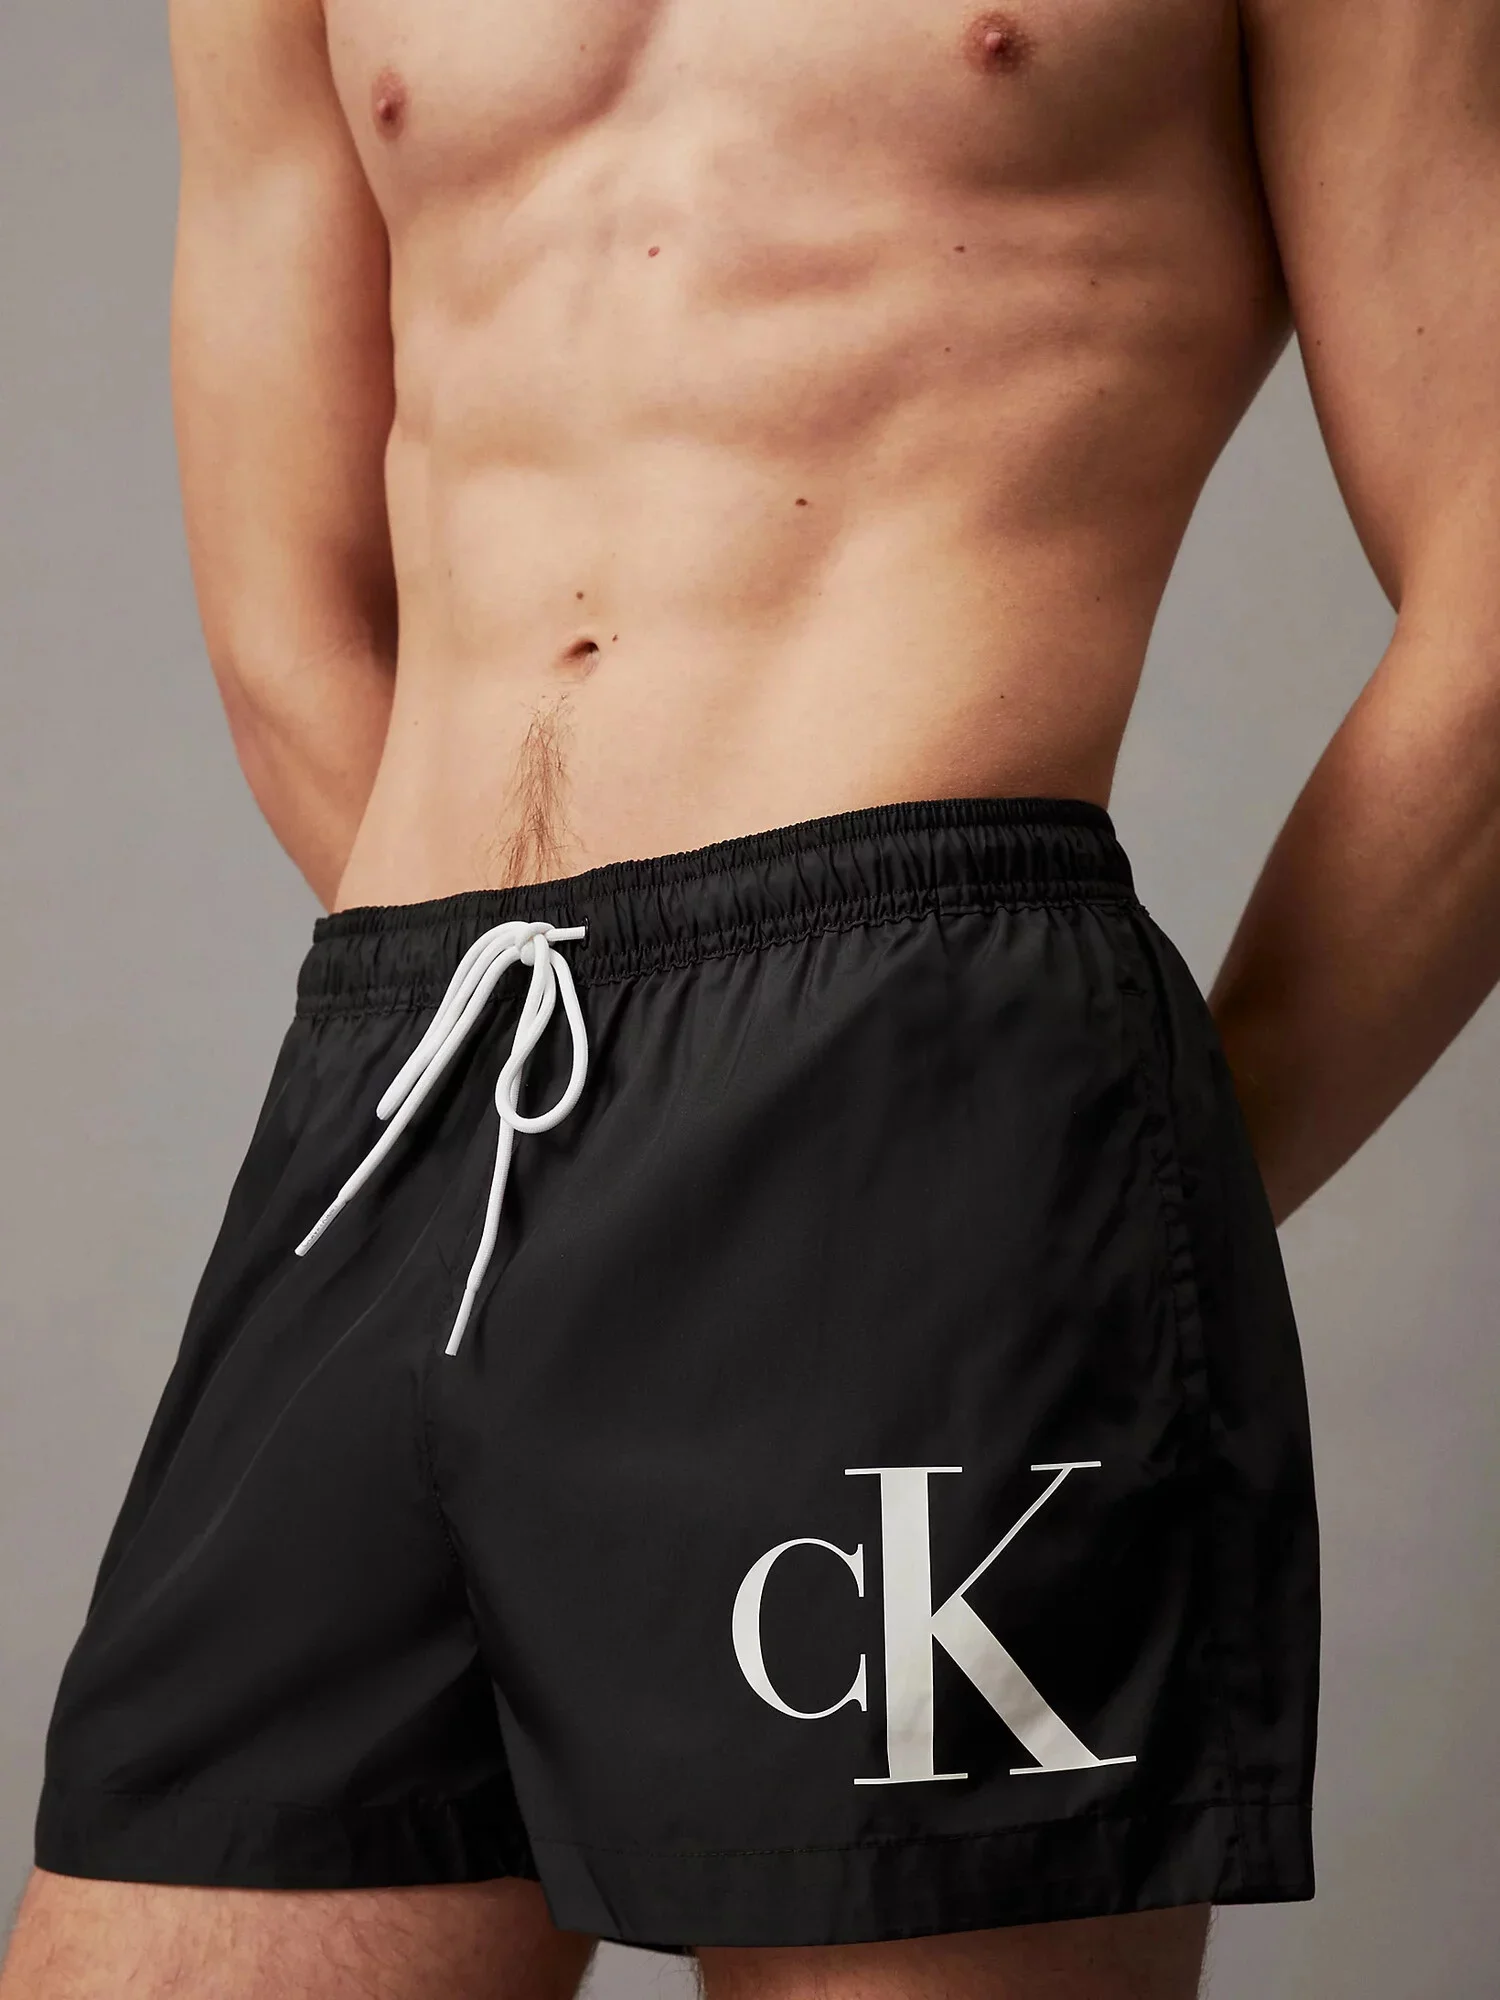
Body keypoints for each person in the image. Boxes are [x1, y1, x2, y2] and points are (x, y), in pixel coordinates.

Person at [5, 1, 1499, 1996]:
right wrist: (566, 1090)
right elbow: (288, 613)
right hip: (426, 1084)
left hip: (925, 1067)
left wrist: (1149, 1178)